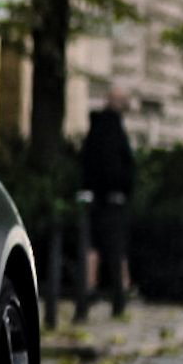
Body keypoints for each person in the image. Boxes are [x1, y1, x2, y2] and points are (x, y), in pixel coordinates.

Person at [78, 87, 136, 320]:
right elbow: (124, 166)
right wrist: (122, 189)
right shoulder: (115, 132)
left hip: (95, 198)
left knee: (93, 248)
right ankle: (119, 296)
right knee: (115, 249)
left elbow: (87, 162)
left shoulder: (96, 129)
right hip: (112, 200)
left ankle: (88, 293)